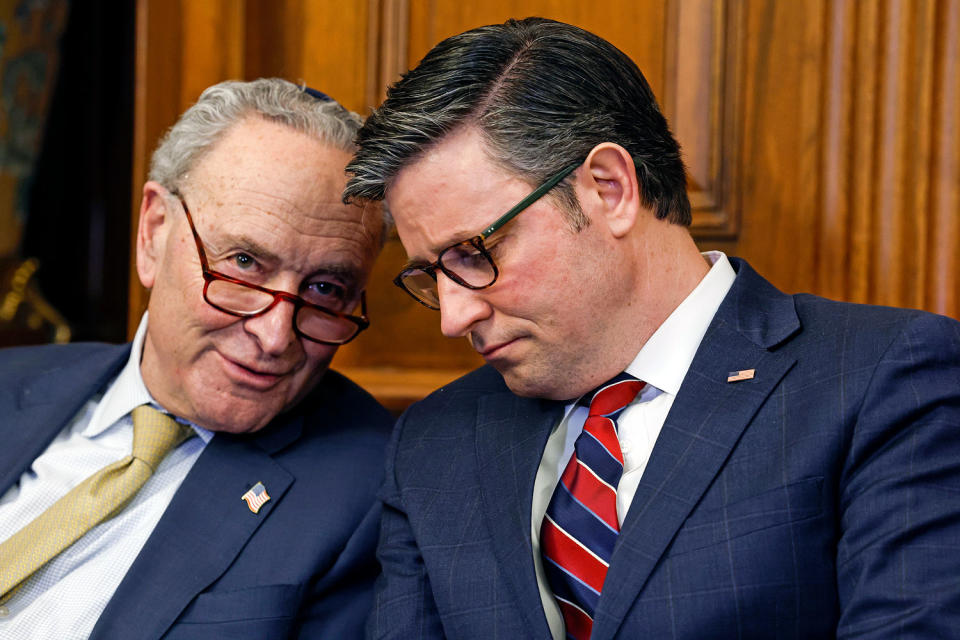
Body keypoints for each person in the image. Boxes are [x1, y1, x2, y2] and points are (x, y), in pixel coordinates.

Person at [343, 17, 960, 640]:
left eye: (475, 254)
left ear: (609, 190)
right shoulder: (433, 443)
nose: (454, 317)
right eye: (430, 273)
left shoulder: (883, 379)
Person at [0, 78, 392, 639]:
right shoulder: (10, 380)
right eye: (244, 262)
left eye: (326, 289)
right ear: (154, 232)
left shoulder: (368, 494)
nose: (276, 335)